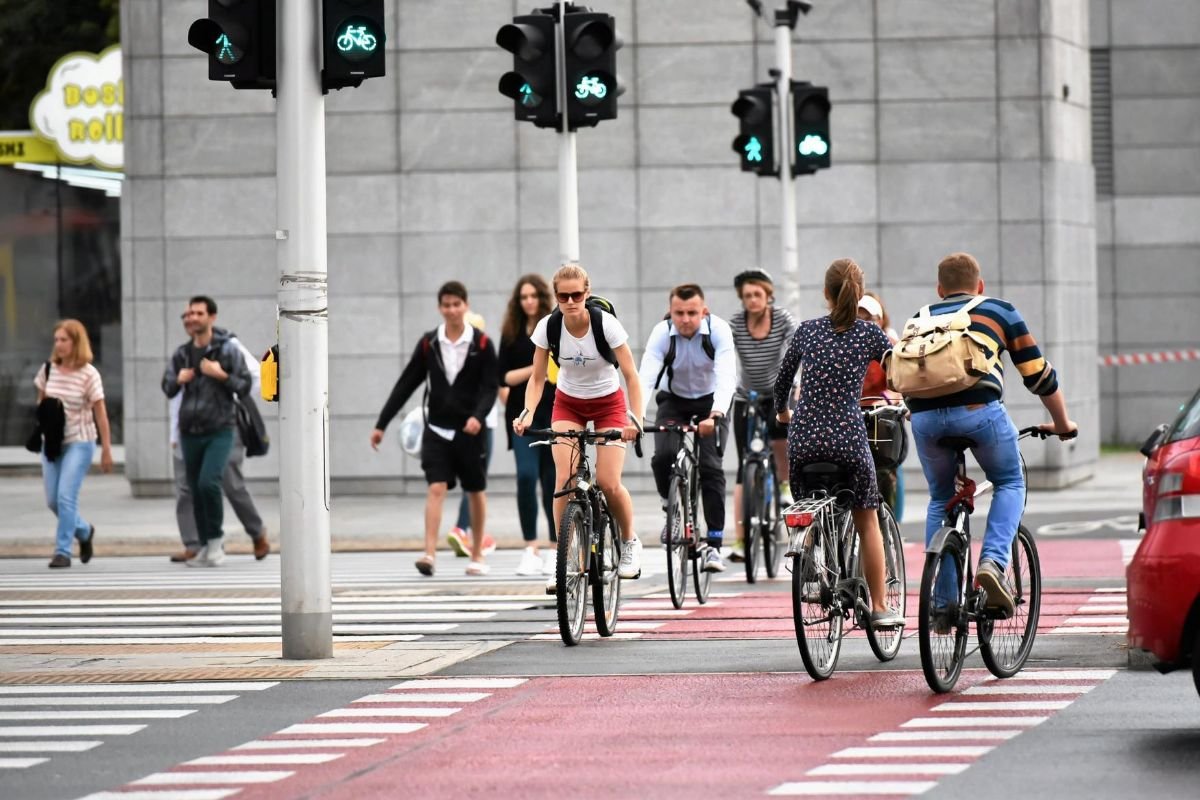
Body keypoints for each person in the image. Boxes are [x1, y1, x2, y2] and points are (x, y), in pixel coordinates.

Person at [905, 252, 1077, 614]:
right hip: (978, 414)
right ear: (980, 286)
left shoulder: (918, 319)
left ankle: (943, 604)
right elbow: (1039, 376)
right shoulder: (999, 310)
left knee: (940, 498)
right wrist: (1062, 423)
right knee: (1010, 481)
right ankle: (993, 564)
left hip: (924, 421)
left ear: (940, 289)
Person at [774, 259, 903, 629]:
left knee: (809, 504)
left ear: (826, 294)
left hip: (804, 438)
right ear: (859, 294)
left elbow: (781, 384)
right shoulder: (870, 334)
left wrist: (784, 414)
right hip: (847, 436)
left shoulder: (807, 331)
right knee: (868, 519)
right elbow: (898, 375)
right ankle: (879, 606)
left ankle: (813, 571)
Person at [512, 263, 644, 588]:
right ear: (555, 297)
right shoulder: (548, 327)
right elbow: (538, 376)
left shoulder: (606, 325)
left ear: (586, 293)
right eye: (563, 296)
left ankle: (629, 542)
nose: (570, 301)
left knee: (609, 482)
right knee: (564, 480)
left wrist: (635, 419)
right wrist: (528, 411)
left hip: (608, 403)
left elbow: (631, 376)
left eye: (576, 295)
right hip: (568, 402)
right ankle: (566, 558)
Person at [371, 281, 499, 577]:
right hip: (437, 429)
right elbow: (406, 384)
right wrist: (382, 424)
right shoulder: (429, 343)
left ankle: (477, 553)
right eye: (446, 305)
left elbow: (490, 387)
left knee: (475, 490)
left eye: (457, 304)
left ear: (466, 306)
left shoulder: (481, 344)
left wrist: (478, 417)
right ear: (440, 308)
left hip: (470, 432)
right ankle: (429, 553)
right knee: (436, 486)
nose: (452, 310)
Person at [638, 283, 737, 572]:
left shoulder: (718, 331)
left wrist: (716, 414)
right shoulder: (662, 334)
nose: (685, 319)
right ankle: (671, 507)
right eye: (679, 313)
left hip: (711, 402)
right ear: (670, 312)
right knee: (663, 457)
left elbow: (726, 377)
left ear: (703, 312)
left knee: (711, 467)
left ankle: (715, 545)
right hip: (674, 400)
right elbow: (645, 377)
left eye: (692, 313)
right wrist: (634, 415)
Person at [168, 309, 269, 563]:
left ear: (211, 318)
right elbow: (175, 395)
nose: (191, 319)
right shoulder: (183, 353)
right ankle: (195, 543)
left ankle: (257, 532)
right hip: (188, 429)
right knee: (186, 486)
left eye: (198, 314)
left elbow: (255, 376)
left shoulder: (229, 346)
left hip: (223, 426)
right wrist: (174, 431)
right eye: (187, 315)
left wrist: (228, 394)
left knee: (229, 484)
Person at [728, 269, 796, 563]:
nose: (752, 300)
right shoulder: (735, 325)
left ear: (768, 296)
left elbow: (796, 352)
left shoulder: (782, 320)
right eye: (747, 296)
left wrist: (797, 385)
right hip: (747, 395)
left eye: (757, 294)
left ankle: (783, 485)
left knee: (779, 432)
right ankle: (742, 541)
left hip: (778, 392)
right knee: (745, 464)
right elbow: (726, 358)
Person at [35, 320, 113, 568]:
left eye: (64, 340)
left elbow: (101, 414)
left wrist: (106, 450)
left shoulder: (89, 374)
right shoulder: (48, 370)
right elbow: (41, 404)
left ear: (76, 342)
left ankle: (62, 551)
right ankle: (84, 530)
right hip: (53, 443)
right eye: (56, 340)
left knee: (66, 497)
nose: (58, 345)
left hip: (80, 442)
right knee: (53, 501)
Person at [497, 275, 558, 576]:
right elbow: (504, 378)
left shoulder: (553, 327)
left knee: (551, 482)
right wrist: (537, 372)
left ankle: (554, 548)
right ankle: (530, 548)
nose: (529, 301)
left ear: (542, 298)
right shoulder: (511, 332)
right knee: (525, 475)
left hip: (553, 413)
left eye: (533, 296)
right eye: (523, 297)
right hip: (522, 416)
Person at [446, 311, 499, 561]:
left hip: (461, 425)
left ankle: (464, 529)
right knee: (476, 482)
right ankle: (461, 529)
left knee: (472, 481)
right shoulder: (480, 355)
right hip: (481, 426)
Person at [857, 292, 904, 519]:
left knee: (883, 470)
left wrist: (888, 399)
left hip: (879, 417)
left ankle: (887, 520)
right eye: (859, 318)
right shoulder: (844, 344)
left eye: (869, 319)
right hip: (852, 415)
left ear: (880, 320)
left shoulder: (890, 345)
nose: (864, 324)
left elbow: (900, 382)